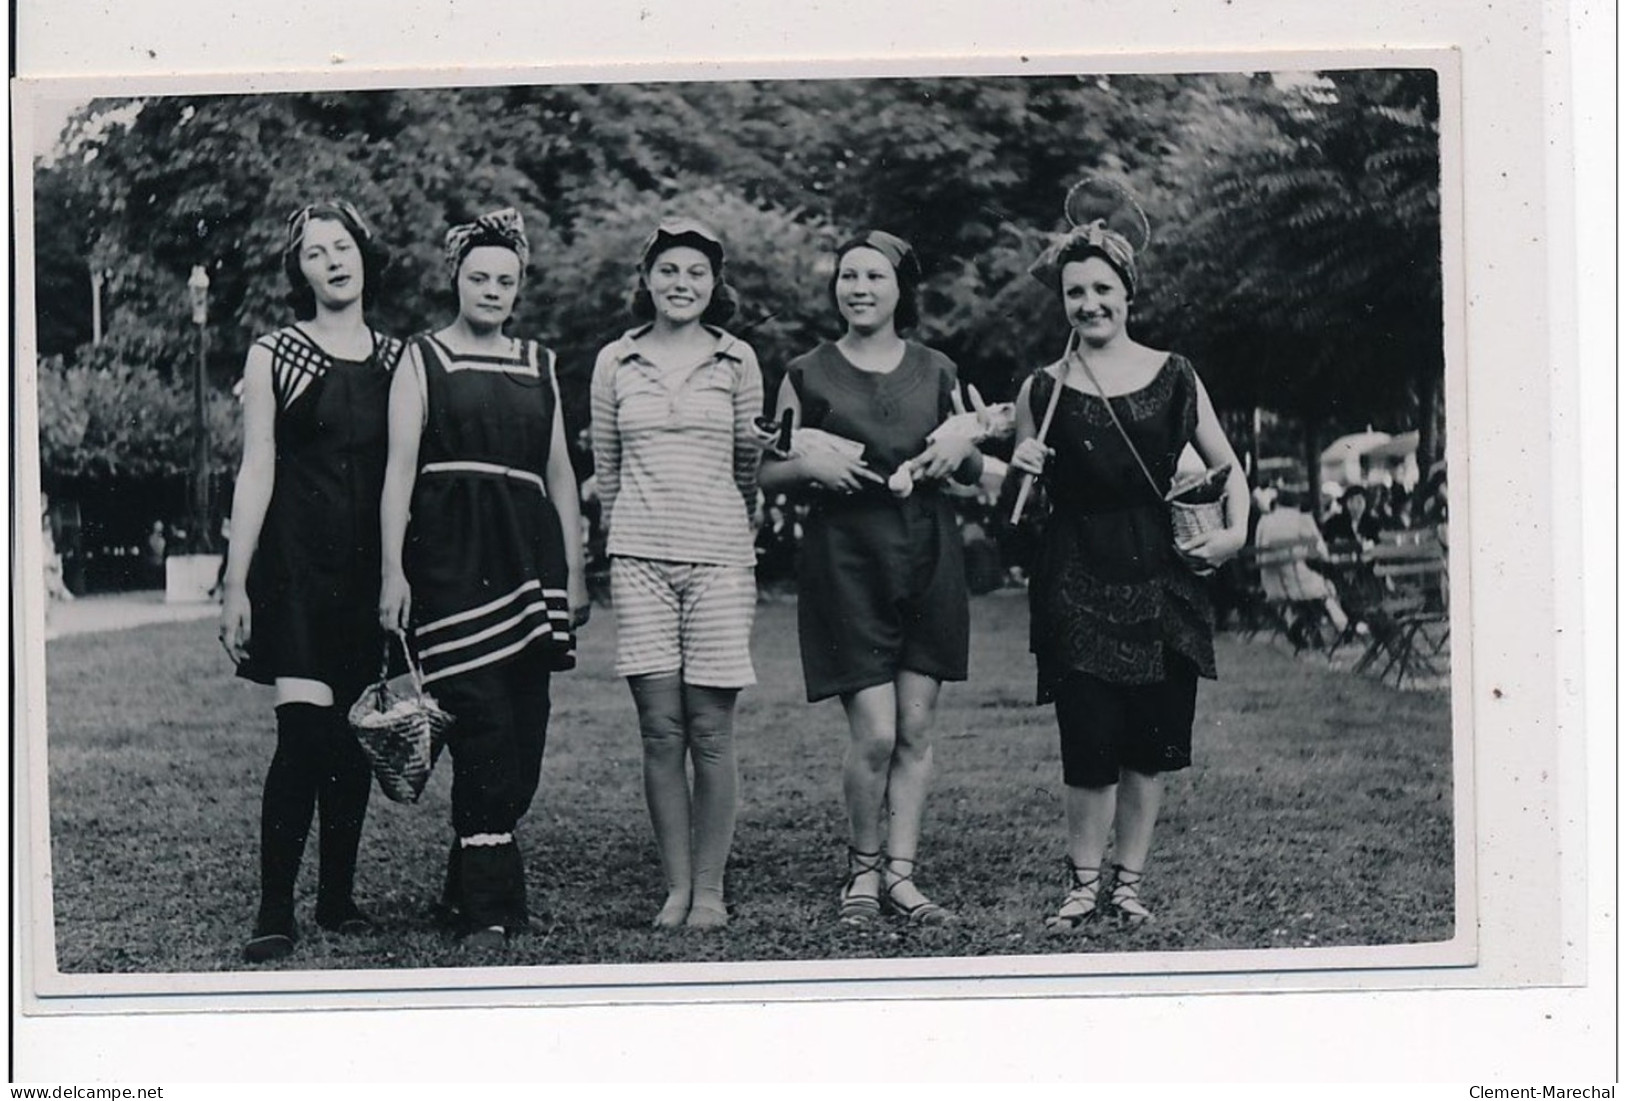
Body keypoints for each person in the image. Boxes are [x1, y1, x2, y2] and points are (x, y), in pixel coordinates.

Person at [1008, 206, 1248, 931]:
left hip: (1161, 574)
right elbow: (1019, 508)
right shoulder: (1040, 390)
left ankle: (1129, 883)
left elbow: (1228, 467)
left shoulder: (1174, 374)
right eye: (1074, 291)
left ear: (1127, 292)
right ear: (1062, 302)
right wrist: (1017, 463)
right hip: (1076, 572)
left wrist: (1235, 536)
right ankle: (1083, 884)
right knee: (1088, 736)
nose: (1089, 303)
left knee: (1148, 743)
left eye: (1101, 288)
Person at [759, 230, 986, 927]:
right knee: (876, 733)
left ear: (899, 289)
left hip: (927, 555)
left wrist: (964, 447)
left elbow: (972, 471)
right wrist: (807, 468)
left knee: (916, 731)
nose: (858, 288)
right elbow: (766, 468)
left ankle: (902, 877)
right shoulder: (805, 372)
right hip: (844, 562)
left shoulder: (938, 368)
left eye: (874, 277)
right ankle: (860, 872)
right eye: (848, 276)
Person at [378, 207, 587, 951]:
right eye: (479, 277)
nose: (492, 289)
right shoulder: (422, 357)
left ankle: (461, 884)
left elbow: (561, 473)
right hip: (450, 560)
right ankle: (493, 909)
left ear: (519, 287)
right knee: (482, 729)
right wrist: (391, 571)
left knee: (524, 733)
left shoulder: (541, 362)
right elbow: (398, 470)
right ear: (456, 280)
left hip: (529, 562)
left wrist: (576, 567)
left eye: (505, 279)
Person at [218, 200, 404, 963]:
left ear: (364, 254)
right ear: (299, 272)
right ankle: (274, 910)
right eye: (315, 252)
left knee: (354, 737)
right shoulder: (275, 352)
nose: (333, 260)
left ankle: (337, 896)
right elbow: (256, 464)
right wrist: (235, 582)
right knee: (301, 734)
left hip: (370, 571)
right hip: (294, 567)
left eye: (343, 246)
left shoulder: (400, 357)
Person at [590, 219, 770, 930]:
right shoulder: (615, 359)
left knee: (711, 731)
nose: (681, 283)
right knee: (661, 730)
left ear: (713, 283)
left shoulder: (736, 359)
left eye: (696, 272)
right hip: (638, 559)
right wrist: (626, 535)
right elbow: (607, 468)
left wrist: (725, 527)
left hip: (721, 559)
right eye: (668, 269)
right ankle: (674, 888)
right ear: (646, 278)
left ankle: (711, 889)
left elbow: (748, 466)